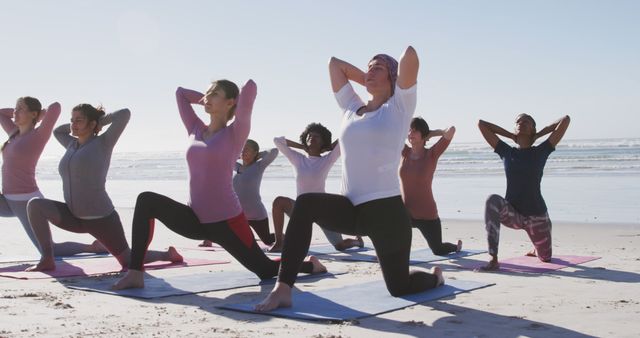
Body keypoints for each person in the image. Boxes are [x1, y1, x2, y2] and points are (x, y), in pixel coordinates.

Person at [256, 46, 444, 312]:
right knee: (306, 203)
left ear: (392, 77)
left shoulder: (398, 107)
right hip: (350, 209)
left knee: (399, 287)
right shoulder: (351, 107)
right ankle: (283, 288)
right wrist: (371, 77)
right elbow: (334, 64)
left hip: (386, 214)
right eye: (368, 66)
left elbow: (410, 56)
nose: (369, 70)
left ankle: (435, 278)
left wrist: (390, 80)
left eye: (378, 67)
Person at [113, 79, 325, 290]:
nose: (207, 98)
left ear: (231, 102)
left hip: (227, 223)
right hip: (195, 218)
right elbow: (180, 94)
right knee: (146, 200)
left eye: (215, 94)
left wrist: (235, 103)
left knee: (265, 270)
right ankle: (135, 273)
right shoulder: (195, 128)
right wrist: (208, 99)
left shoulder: (235, 132)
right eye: (207, 93)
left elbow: (250, 88)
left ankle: (310, 265)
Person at [25, 104, 180, 271]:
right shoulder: (71, 144)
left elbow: (124, 114)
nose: (73, 124)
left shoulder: (103, 143)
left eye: (79, 120)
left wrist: (100, 121)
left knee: (128, 260)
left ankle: (167, 255)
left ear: (92, 124)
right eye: (72, 120)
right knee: (35, 205)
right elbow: (58, 131)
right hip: (73, 216)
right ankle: (47, 259)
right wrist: (75, 125)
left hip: (101, 219)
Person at [1, 98, 104, 257]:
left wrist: (41, 115)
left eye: (20, 109)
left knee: (49, 250)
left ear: (33, 114)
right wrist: (20, 112)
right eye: (15, 108)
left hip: (26, 202)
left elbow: (55, 107)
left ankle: (93, 248)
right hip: (6, 199)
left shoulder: (38, 135)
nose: (15, 112)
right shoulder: (13, 133)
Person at [477, 113, 571, 271]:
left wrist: (538, 135)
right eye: (518, 121)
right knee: (492, 200)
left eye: (527, 121)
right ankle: (493, 258)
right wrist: (511, 136)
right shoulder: (507, 152)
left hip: (537, 216)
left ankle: (537, 247)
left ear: (533, 129)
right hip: (513, 214)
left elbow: (565, 120)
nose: (522, 123)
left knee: (546, 258)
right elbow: (481, 124)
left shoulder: (541, 151)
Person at [270, 123, 364, 252]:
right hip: (301, 209)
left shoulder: (327, 159)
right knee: (279, 202)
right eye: (309, 136)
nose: (312, 138)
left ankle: (356, 241)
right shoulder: (298, 158)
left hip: (322, 210)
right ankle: (279, 242)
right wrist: (302, 147)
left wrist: (331, 147)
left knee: (339, 246)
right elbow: (277, 141)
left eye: (317, 136)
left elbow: (345, 137)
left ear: (323, 142)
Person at [400, 117, 462, 255]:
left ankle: (455, 247)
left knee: (438, 250)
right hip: (406, 214)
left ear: (423, 134)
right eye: (410, 130)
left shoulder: (432, 154)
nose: (411, 133)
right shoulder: (404, 152)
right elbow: (392, 132)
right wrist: (413, 132)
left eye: (415, 131)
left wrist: (430, 133)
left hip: (427, 215)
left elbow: (451, 130)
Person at [199, 139, 278, 247]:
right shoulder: (237, 167)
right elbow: (222, 157)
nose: (243, 151)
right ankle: (208, 239)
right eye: (242, 148)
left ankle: (282, 237)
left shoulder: (259, 166)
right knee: (219, 222)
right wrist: (238, 155)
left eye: (247, 149)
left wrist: (258, 155)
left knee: (268, 240)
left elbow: (274, 151)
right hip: (237, 214)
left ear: (255, 152)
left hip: (256, 214)